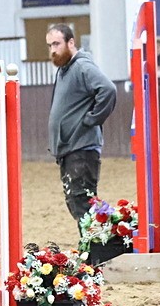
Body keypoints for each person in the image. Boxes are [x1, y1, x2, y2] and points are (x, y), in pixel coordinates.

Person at [46, 23, 117, 224]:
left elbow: (108, 90)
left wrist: (92, 119)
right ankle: (94, 246)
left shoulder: (82, 66)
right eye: (50, 45)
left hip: (82, 147)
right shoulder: (65, 69)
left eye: (57, 44)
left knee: (82, 201)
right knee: (77, 200)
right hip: (71, 148)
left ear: (71, 42)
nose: (53, 50)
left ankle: (97, 249)